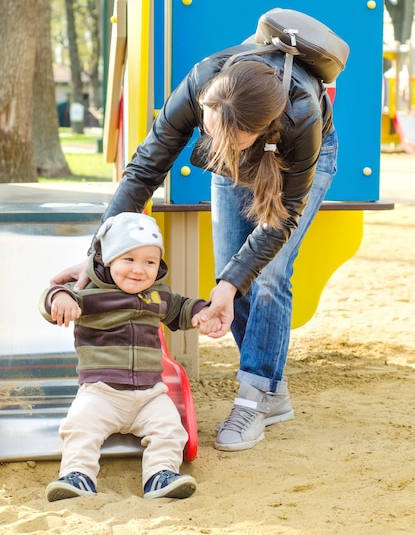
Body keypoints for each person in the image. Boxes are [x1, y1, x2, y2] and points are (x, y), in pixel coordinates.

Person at [51, 42, 338, 453]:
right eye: (211, 131)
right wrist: (98, 252)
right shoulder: (203, 82)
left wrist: (232, 283)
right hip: (237, 149)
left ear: (261, 129)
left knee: (268, 271)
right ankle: (271, 390)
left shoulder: (302, 116)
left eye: (230, 137)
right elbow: (145, 168)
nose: (216, 141)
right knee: (230, 268)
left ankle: (255, 397)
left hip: (294, 160)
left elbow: (280, 220)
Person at [39, 212, 223, 502]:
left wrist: (202, 313)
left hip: (150, 394)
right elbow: (52, 300)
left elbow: (181, 308)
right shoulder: (90, 295)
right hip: (101, 392)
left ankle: (161, 475)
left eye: (149, 262)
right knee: (79, 426)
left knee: (170, 429)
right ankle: (77, 476)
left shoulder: (157, 296)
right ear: (109, 259)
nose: (139, 270)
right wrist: (59, 299)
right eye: (129, 260)